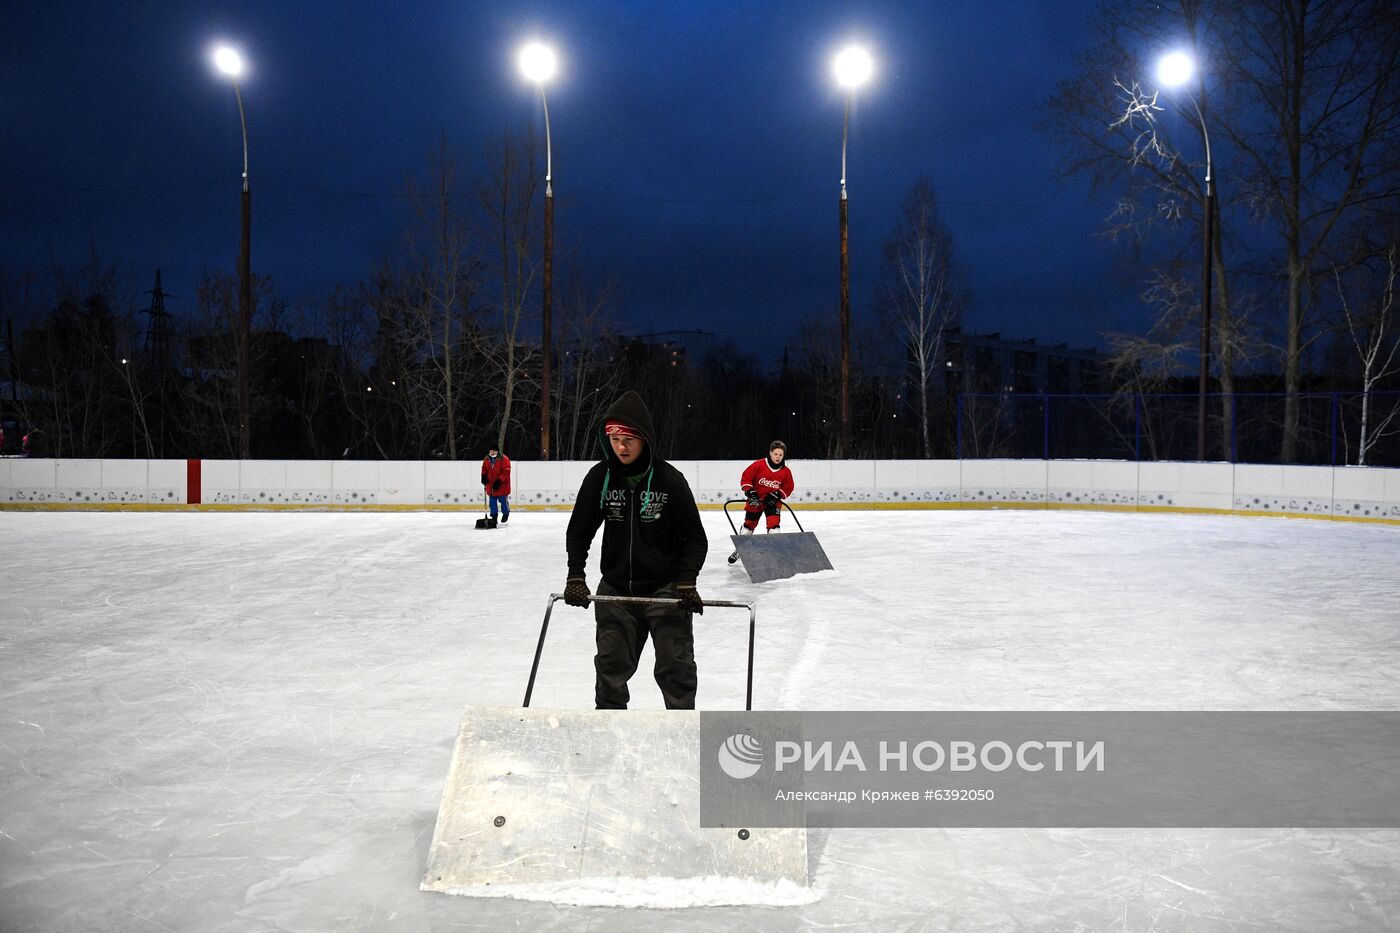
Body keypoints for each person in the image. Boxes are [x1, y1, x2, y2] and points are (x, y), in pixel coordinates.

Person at [563, 391, 708, 710]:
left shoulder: (669, 480)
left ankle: (681, 733)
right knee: (610, 671)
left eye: (629, 438)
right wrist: (576, 574)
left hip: (665, 591)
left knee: (676, 669)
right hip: (616, 592)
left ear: (645, 439)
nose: (621, 447)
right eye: (614, 438)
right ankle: (609, 731)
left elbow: (696, 538)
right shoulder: (600, 478)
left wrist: (686, 581)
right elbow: (579, 531)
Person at [740, 440, 795, 534]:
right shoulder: (758, 465)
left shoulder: (786, 471)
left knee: (775, 531)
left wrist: (777, 494)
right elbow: (746, 478)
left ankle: (773, 548)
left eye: (780, 455)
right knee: (746, 531)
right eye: (775, 454)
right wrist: (751, 492)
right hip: (756, 501)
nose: (778, 457)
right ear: (770, 453)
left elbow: (789, 486)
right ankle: (742, 547)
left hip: (772, 502)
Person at [480, 445, 511, 523]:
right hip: (491, 486)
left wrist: (499, 481)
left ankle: (506, 513)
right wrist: (483, 476)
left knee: (503, 502)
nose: (491, 452)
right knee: (492, 503)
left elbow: (506, 472)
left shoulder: (504, 459)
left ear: (497, 451)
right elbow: (484, 469)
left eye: (493, 451)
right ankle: (494, 517)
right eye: (490, 450)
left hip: (502, 486)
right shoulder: (486, 459)